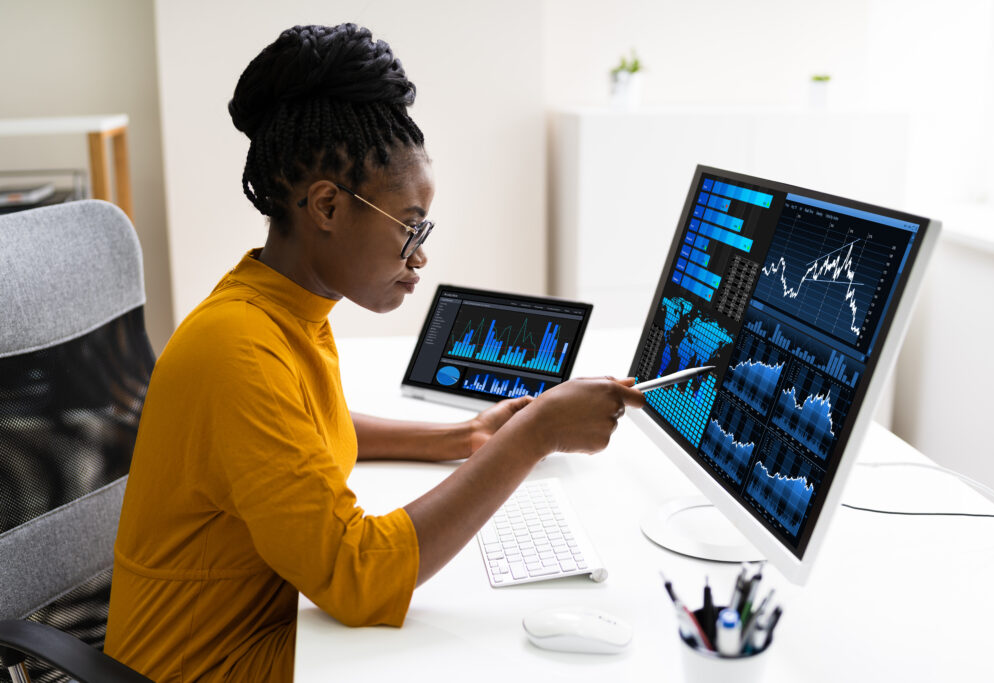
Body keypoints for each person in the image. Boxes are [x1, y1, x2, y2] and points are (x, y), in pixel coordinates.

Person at [104, 23, 643, 682]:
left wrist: (459, 435)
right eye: (409, 226)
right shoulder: (236, 350)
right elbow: (356, 577)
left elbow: (302, 433)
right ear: (326, 205)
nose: (419, 255)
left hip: (264, 632)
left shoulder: (280, 307)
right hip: (203, 666)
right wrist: (533, 434)